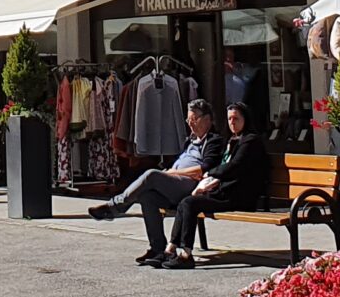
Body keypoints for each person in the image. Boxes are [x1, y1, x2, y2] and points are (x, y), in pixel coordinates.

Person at [86, 99, 222, 266]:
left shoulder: (213, 141)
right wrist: (169, 171)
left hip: (190, 186)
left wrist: (172, 173)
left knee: (151, 175)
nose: (190, 123)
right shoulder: (191, 140)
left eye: (194, 119)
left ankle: (115, 206)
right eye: (188, 119)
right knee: (147, 197)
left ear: (207, 119)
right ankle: (157, 248)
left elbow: (203, 169)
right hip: (175, 182)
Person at [159, 102, 270, 269]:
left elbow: (234, 167)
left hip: (239, 196)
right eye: (229, 119)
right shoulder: (234, 139)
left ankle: (186, 254)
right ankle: (170, 249)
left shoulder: (250, 141)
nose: (232, 122)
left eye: (236, 118)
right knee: (186, 202)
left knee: (190, 203)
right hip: (226, 192)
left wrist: (209, 174)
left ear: (245, 119)